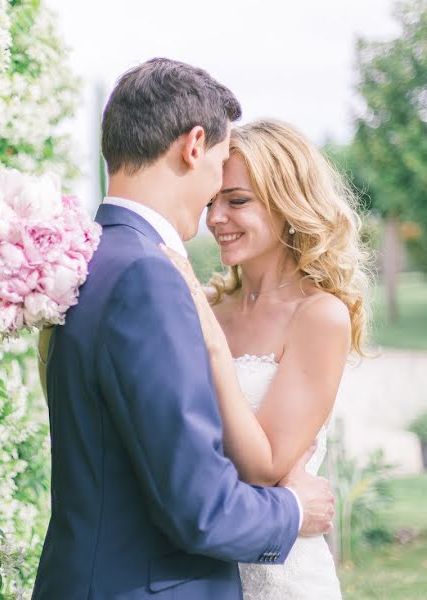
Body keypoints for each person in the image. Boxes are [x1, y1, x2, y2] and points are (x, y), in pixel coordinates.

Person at [32, 59, 334, 600]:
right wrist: (293, 509)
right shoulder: (149, 275)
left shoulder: (87, 258)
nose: (216, 206)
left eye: (236, 197)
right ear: (195, 146)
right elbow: (199, 508)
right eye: (220, 169)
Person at [161, 119, 370, 598]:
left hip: (283, 575)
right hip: (198, 567)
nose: (216, 218)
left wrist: (212, 344)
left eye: (237, 201)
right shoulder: (209, 308)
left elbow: (266, 466)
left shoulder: (319, 316)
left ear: (288, 204)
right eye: (212, 199)